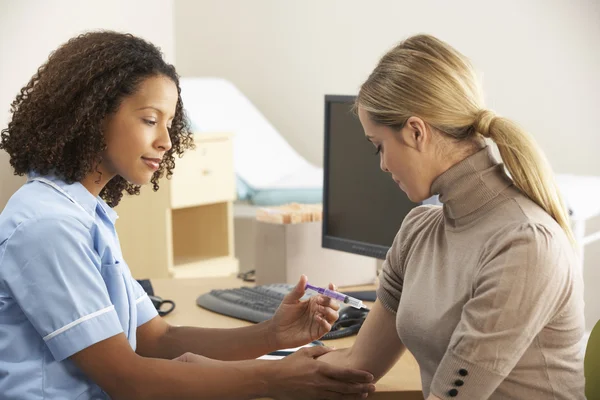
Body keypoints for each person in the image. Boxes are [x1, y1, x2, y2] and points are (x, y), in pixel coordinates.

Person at [0, 31, 376, 399]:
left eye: (169, 123)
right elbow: (129, 381)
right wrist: (276, 378)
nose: (166, 140)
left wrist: (272, 335)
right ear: (93, 116)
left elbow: (157, 339)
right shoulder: (48, 226)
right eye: (150, 120)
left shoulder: (84, 214)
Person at [319, 34, 586, 399]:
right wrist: (264, 367)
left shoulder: (524, 242)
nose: (382, 165)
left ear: (415, 131)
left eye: (379, 146)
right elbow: (357, 364)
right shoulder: (419, 231)